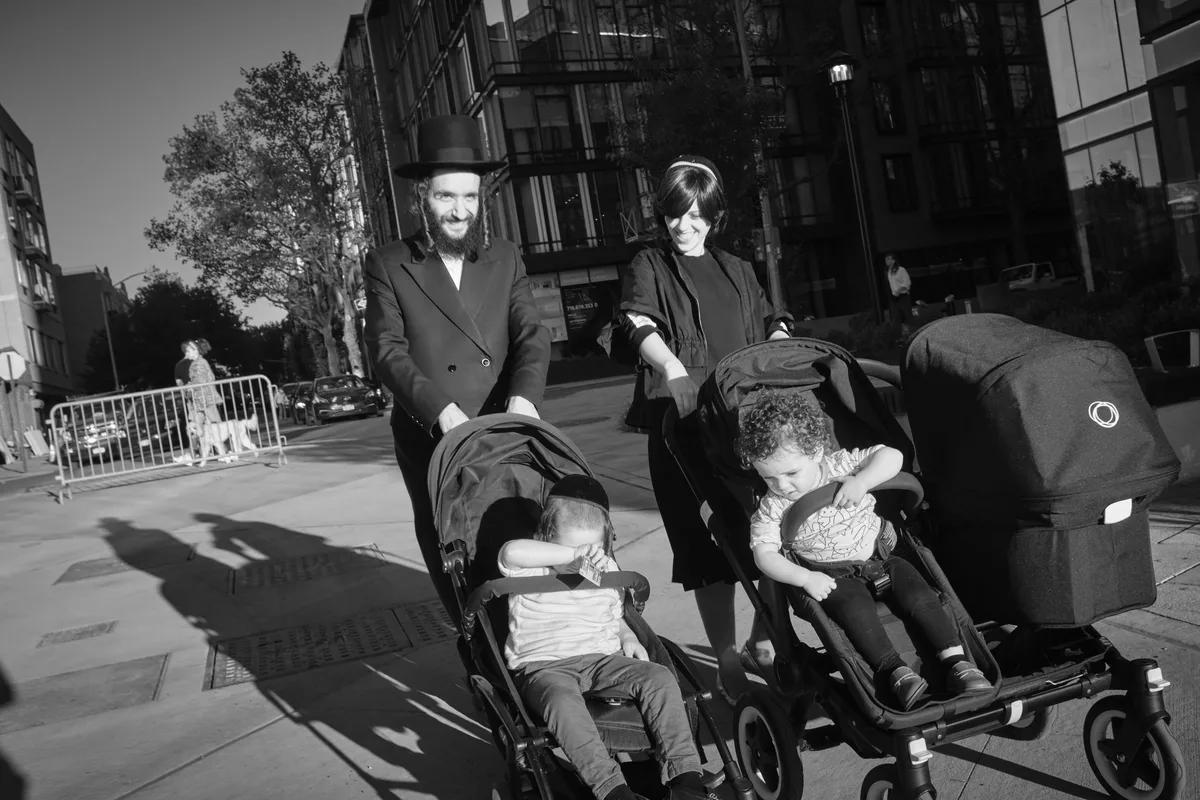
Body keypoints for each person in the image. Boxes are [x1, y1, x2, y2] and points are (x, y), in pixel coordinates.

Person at [616, 154, 794, 703]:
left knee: (776, 529)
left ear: (714, 216)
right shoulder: (649, 264)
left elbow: (772, 319)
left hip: (746, 423)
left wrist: (783, 344)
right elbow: (635, 320)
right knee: (707, 548)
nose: (685, 225)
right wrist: (670, 368)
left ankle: (766, 640)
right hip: (684, 430)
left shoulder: (737, 268)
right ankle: (726, 661)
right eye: (675, 213)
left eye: (697, 214)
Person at [364, 115, 551, 617]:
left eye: (470, 197)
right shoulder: (388, 262)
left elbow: (531, 333)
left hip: (505, 425)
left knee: (523, 540)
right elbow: (386, 350)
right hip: (433, 434)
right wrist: (440, 410)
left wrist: (525, 397)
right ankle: (480, 655)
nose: (460, 210)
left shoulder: (506, 256)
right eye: (447, 197)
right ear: (422, 195)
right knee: (457, 555)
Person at [737, 389, 992, 711]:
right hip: (830, 575)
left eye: (791, 473)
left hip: (883, 558)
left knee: (922, 597)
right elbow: (764, 554)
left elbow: (891, 456)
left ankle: (957, 661)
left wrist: (864, 480)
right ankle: (895, 671)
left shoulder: (840, 465)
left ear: (815, 451)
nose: (783, 486)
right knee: (855, 612)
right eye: (769, 477)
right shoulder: (772, 507)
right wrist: (803, 578)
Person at [499, 475, 709, 800]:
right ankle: (612, 789)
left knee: (659, 676)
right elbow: (512, 551)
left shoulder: (603, 569)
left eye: (593, 550)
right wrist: (570, 555)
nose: (587, 559)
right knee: (561, 703)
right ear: (548, 539)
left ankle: (686, 778)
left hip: (602, 660)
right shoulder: (532, 569)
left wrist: (627, 634)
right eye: (576, 549)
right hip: (546, 667)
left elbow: (613, 611)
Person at [183, 339, 230, 467]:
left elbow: (204, 380)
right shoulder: (194, 364)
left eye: (188, 350)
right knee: (196, 427)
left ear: (196, 350)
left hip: (206, 400)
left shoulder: (201, 362)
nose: (186, 353)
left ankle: (224, 452)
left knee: (216, 426)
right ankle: (194, 454)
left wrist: (190, 386)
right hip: (199, 401)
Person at [884, 253, 913, 337]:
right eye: (886, 259)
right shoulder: (889, 272)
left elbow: (907, 283)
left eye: (889, 259)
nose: (887, 261)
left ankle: (910, 335)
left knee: (907, 316)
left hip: (903, 296)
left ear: (893, 260)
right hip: (894, 298)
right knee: (896, 318)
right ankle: (900, 337)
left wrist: (898, 290)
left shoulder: (901, 270)